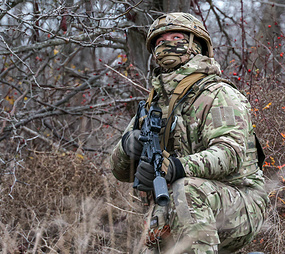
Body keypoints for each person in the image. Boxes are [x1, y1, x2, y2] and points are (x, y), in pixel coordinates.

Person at [110, 12, 268, 254]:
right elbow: (119, 172)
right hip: (173, 208)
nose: (168, 44)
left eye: (177, 37)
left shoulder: (218, 94)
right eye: (160, 41)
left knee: (185, 189)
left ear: (196, 45)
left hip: (241, 204)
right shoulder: (154, 104)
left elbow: (229, 154)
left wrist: (176, 167)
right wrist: (127, 148)